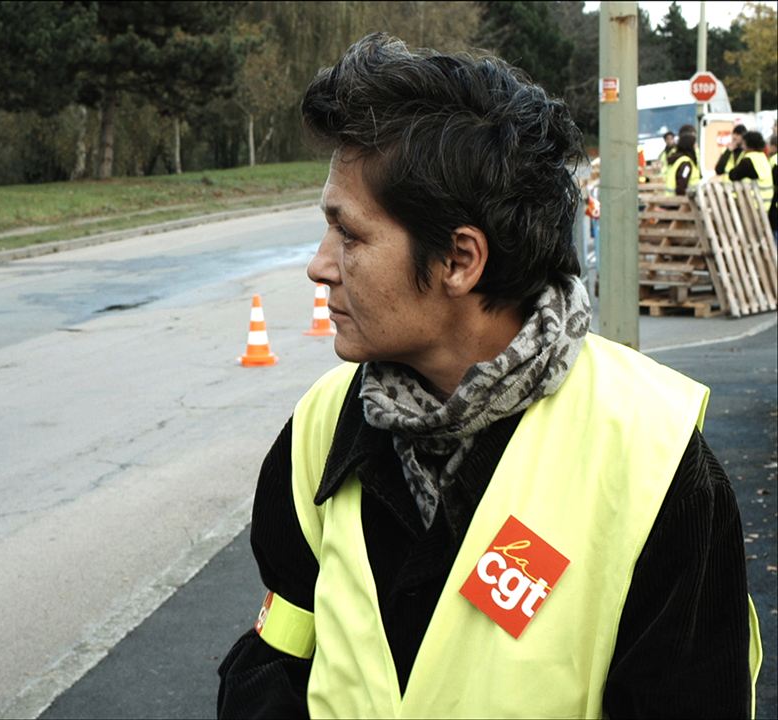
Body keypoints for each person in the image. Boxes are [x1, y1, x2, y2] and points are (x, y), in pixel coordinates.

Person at [217, 34, 760, 719]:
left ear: (459, 260)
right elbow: (276, 663)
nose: (320, 265)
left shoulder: (655, 460)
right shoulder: (319, 430)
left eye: (348, 235)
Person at [727, 130, 775, 215]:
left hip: (753, 205)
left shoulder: (748, 160)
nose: (742, 146)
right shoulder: (763, 157)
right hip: (765, 205)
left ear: (749, 144)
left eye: (744, 143)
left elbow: (733, 175)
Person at [664, 130, 701, 196]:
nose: (696, 146)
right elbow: (682, 184)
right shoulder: (686, 163)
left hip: (672, 200)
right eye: (694, 144)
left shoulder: (680, 159)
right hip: (679, 202)